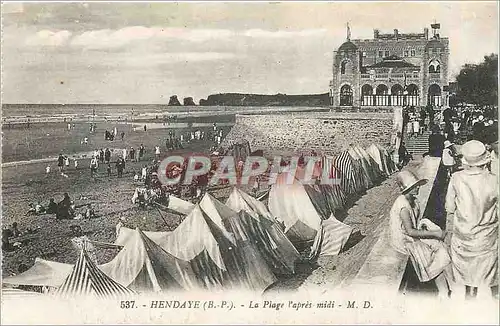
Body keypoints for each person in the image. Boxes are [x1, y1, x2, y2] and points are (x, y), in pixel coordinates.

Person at [445, 140, 498, 299]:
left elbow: (449, 208)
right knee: (493, 277)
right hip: (488, 237)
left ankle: (470, 301)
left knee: (469, 277)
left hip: (463, 237)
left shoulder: (456, 178)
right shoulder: (495, 180)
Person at [389, 170, 451, 298]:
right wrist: (434, 233)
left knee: (438, 246)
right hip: (404, 240)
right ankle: (443, 290)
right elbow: (410, 231)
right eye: (413, 187)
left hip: (410, 235)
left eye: (417, 185)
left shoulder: (413, 200)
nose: (417, 188)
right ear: (406, 189)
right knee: (430, 252)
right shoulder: (403, 207)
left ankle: (445, 288)